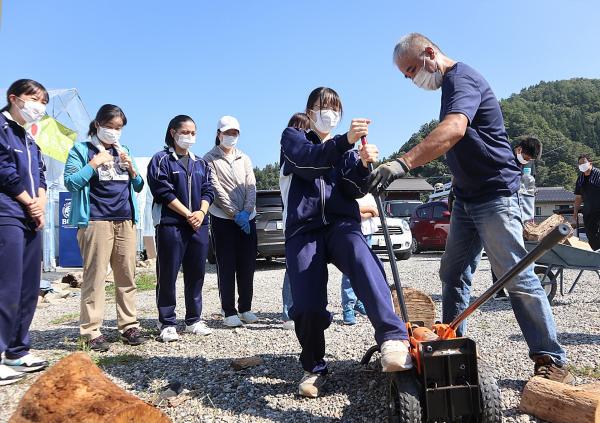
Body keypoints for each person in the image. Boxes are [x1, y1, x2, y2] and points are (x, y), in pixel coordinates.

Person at [370, 33, 572, 383]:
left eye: (413, 70)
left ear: (430, 53)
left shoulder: (462, 78)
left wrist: (403, 163)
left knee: (515, 275)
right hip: (465, 198)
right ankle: (450, 343)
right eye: (407, 76)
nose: (414, 80)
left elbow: (454, 129)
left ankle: (550, 358)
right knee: (452, 273)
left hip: (495, 194)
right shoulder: (448, 87)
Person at [280, 87, 412, 398]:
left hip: (341, 224)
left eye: (335, 109)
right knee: (308, 303)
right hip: (304, 229)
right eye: (322, 107)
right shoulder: (293, 138)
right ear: (310, 111)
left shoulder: (348, 152)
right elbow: (308, 163)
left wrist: (364, 164)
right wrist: (345, 143)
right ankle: (314, 367)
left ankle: (392, 338)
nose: (329, 113)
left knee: (362, 256)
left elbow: (354, 188)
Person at [64, 104, 147, 352]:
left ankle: (128, 325)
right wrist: (93, 164)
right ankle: (91, 331)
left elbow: (139, 185)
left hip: (125, 219)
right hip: (95, 220)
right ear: (98, 125)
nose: (114, 132)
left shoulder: (124, 150)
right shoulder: (81, 150)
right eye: (110, 127)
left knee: (127, 275)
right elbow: (71, 183)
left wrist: (132, 170)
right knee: (95, 277)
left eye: (119, 128)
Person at [147, 115, 214, 342]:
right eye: (185, 132)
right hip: (171, 225)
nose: (189, 137)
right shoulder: (161, 160)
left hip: (198, 225)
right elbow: (162, 191)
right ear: (173, 132)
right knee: (167, 273)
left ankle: (193, 319)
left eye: (193, 133)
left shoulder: (200, 163)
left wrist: (201, 212)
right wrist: (187, 214)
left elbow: (208, 190)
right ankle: (166, 322)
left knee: (196, 274)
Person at [0, 79, 49, 384]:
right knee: (7, 284)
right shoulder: (2, 129)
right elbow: (4, 170)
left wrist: (40, 203)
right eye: (34, 98)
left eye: (43, 101)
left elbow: (40, 174)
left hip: (32, 216)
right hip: (8, 212)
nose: (39, 106)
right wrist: (29, 202)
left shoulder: (30, 139)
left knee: (29, 285)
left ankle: (18, 349)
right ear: (14, 98)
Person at [204, 116, 258, 328]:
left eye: (235, 133)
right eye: (227, 133)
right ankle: (229, 310)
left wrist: (246, 211)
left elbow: (251, 185)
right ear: (219, 134)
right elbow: (216, 189)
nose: (231, 136)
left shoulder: (244, 157)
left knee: (247, 265)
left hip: (248, 218)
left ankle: (245, 307)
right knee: (226, 265)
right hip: (223, 219)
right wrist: (235, 213)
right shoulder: (209, 159)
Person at [493, 136, 542, 299]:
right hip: (499, 209)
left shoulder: (526, 167)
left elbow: (527, 194)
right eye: (527, 158)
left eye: (531, 160)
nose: (527, 162)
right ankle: (497, 290)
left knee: (514, 253)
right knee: (498, 251)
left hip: (519, 212)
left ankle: (515, 288)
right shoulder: (505, 157)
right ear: (519, 149)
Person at [340, 193, 377, 324]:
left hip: (368, 235)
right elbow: (353, 211)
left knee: (365, 270)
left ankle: (360, 303)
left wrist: (365, 211)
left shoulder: (369, 194)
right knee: (349, 271)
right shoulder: (348, 191)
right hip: (352, 233)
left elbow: (376, 211)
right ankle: (348, 308)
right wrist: (369, 210)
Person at [574, 154, 600, 251]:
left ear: (590, 163)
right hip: (588, 212)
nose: (581, 165)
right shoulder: (580, 179)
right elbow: (578, 197)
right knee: (590, 235)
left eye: (583, 163)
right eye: (579, 163)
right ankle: (596, 255)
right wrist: (575, 212)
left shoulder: (598, 174)